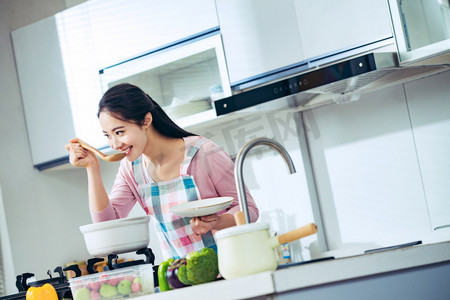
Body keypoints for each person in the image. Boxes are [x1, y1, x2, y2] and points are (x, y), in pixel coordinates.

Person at [66, 83, 258, 260]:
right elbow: (106, 224)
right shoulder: (131, 169)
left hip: (232, 267)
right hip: (181, 278)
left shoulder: (203, 153)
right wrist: (92, 169)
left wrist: (216, 222)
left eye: (119, 132)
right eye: (107, 135)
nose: (114, 144)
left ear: (146, 120)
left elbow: (249, 210)